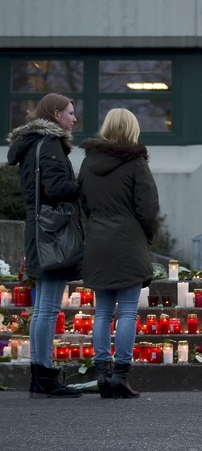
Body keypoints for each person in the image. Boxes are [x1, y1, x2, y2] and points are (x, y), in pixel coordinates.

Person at [78, 108, 159, 399]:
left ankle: (102, 373)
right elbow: (147, 206)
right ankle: (120, 374)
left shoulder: (88, 162)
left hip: (98, 240)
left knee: (101, 312)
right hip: (128, 241)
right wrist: (146, 235)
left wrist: (97, 225)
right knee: (126, 311)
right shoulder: (136, 163)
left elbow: (84, 201)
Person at [6, 93, 83, 398]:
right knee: (48, 308)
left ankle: (40, 374)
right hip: (51, 233)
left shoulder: (32, 144)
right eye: (70, 112)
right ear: (55, 113)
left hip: (38, 230)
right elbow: (55, 188)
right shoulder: (49, 144)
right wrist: (83, 186)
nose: (74, 119)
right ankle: (44, 374)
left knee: (43, 308)